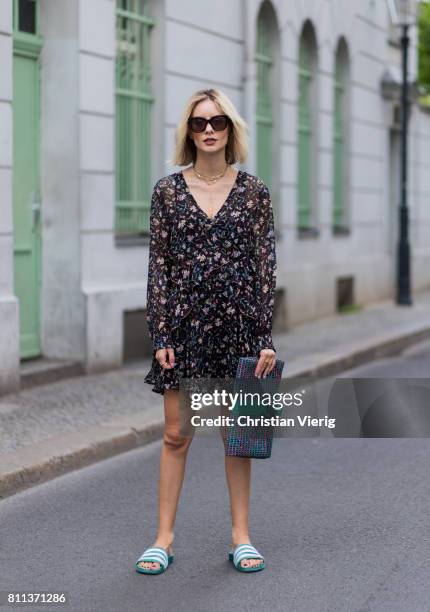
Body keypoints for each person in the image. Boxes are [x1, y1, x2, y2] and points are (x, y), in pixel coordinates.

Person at [135, 88, 277, 574]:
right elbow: (159, 268)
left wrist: (266, 339)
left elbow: (265, 270)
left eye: (218, 122)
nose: (209, 130)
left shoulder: (255, 193)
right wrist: (160, 335)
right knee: (177, 435)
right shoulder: (167, 192)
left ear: (231, 130)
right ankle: (162, 539)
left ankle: (241, 537)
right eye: (199, 123)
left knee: (235, 435)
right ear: (189, 132)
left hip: (239, 328)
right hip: (184, 329)